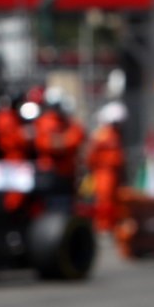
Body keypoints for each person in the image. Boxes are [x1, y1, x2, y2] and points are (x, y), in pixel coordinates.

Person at [85, 101, 127, 234]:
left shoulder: (115, 134)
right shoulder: (102, 135)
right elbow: (91, 155)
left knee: (115, 200)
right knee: (104, 201)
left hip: (114, 172)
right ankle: (104, 226)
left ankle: (113, 225)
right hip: (104, 172)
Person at [35, 87, 85, 193]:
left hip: (66, 170)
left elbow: (78, 137)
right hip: (49, 169)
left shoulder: (68, 122)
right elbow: (43, 143)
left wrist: (59, 141)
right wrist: (62, 141)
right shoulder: (44, 122)